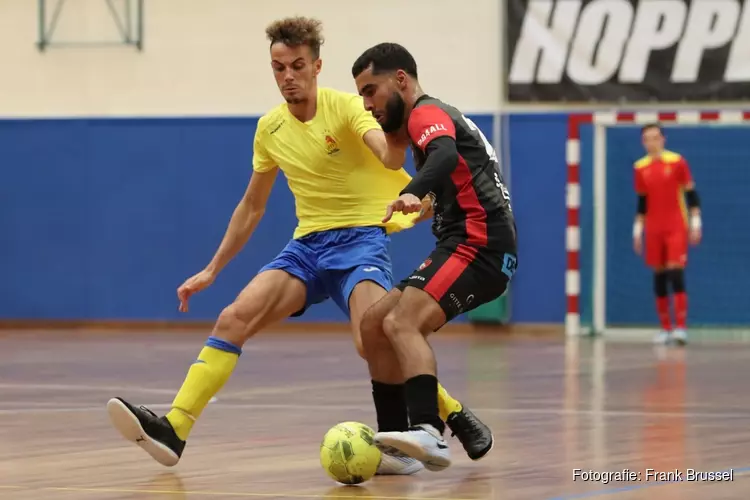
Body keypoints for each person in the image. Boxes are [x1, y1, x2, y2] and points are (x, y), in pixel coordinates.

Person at [105, 17, 493, 475]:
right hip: (306, 248)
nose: (288, 76)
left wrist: (398, 144)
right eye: (278, 67)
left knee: (375, 341)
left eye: (297, 65)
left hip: (360, 244)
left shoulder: (350, 108)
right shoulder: (269, 129)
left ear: (316, 66)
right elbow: (252, 206)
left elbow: (389, 154)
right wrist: (212, 269)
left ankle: (450, 413)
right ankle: (175, 428)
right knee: (233, 318)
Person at [350, 42, 518, 471]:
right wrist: (406, 212)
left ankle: (428, 432)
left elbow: (443, 157)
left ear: (401, 80)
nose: (367, 104)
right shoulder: (434, 122)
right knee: (373, 325)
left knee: (401, 321)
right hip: (463, 243)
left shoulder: (426, 113)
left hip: (481, 247)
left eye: (371, 90)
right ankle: (395, 450)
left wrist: (411, 190)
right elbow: (455, 180)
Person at [633, 124, 702, 346]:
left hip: (676, 226)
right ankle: (665, 328)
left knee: (675, 271)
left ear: (663, 139)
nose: (652, 142)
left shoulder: (677, 162)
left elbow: (691, 194)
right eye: (647, 139)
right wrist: (637, 230)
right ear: (643, 142)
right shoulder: (640, 167)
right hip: (653, 228)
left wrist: (696, 222)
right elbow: (642, 203)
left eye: (656, 137)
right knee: (659, 275)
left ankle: (681, 328)